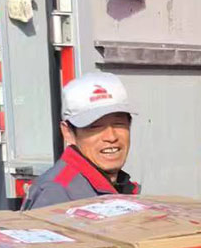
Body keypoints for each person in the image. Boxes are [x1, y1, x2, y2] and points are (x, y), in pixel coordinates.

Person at [22, 71, 139, 208]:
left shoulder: (115, 185)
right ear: (68, 132)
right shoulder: (57, 195)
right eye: (95, 127)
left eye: (118, 124)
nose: (111, 137)